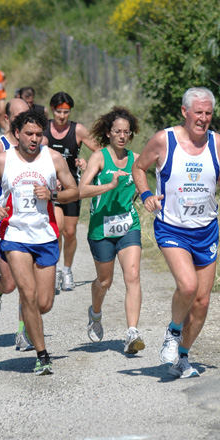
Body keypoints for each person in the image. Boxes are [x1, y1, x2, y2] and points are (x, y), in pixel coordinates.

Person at [132, 87, 220, 379]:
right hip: (172, 227)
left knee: (202, 302)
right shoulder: (164, 140)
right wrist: (146, 196)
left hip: (206, 229)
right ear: (184, 112)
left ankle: (182, 357)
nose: (203, 118)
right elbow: (138, 167)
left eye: (208, 113)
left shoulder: (218, 143)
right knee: (188, 287)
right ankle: (173, 331)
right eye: (198, 112)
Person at [0, 109, 78, 375]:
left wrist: (51, 194)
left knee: (43, 303)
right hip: (14, 235)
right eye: (29, 133)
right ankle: (42, 355)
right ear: (17, 134)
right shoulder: (2, 160)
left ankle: (6, 298)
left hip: (45, 235)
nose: (34, 138)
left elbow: (73, 192)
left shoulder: (54, 159)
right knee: (26, 294)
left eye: (39, 134)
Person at [79, 107, 145, 354]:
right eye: (117, 131)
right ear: (108, 133)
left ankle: (132, 333)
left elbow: (148, 184)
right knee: (105, 281)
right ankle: (95, 314)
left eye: (126, 132)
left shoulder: (136, 160)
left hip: (128, 225)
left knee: (133, 275)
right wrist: (109, 185)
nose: (121, 136)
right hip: (101, 228)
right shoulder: (99, 157)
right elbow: (81, 191)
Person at [43, 92, 98, 291]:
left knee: (70, 231)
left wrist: (87, 163)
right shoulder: (43, 129)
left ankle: (67, 270)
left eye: (66, 112)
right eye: (58, 111)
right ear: (52, 110)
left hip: (72, 188)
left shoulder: (78, 130)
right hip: (52, 189)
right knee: (56, 229)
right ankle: (55, 270)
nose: (62, 116)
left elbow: (100, 152)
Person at [0, 98, 31, 349]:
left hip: (30, 224)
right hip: (2, 223)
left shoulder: (36, 145)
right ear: (7, 120)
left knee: (29, 283)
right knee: (10, 283)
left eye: (27, 115)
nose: (24, 121)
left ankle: (22, 332)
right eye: (18, 117)